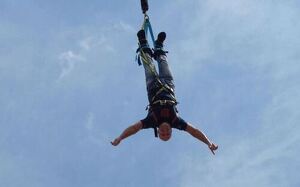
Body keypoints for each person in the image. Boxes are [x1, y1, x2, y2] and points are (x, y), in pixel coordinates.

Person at [111, 30, 218, 154]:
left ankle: (143, 42)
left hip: (152, 86)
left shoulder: (151, 121)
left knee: (148, 63)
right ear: (172, 131)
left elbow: (135, 128)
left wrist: (121, 138)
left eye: (162, 134)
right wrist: (208, 142)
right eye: (168, 134)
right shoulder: (176, 121)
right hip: (168, 85)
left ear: (158, 131)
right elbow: (194, 131)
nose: (165, 132)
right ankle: (158, 46)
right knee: (163, 62)